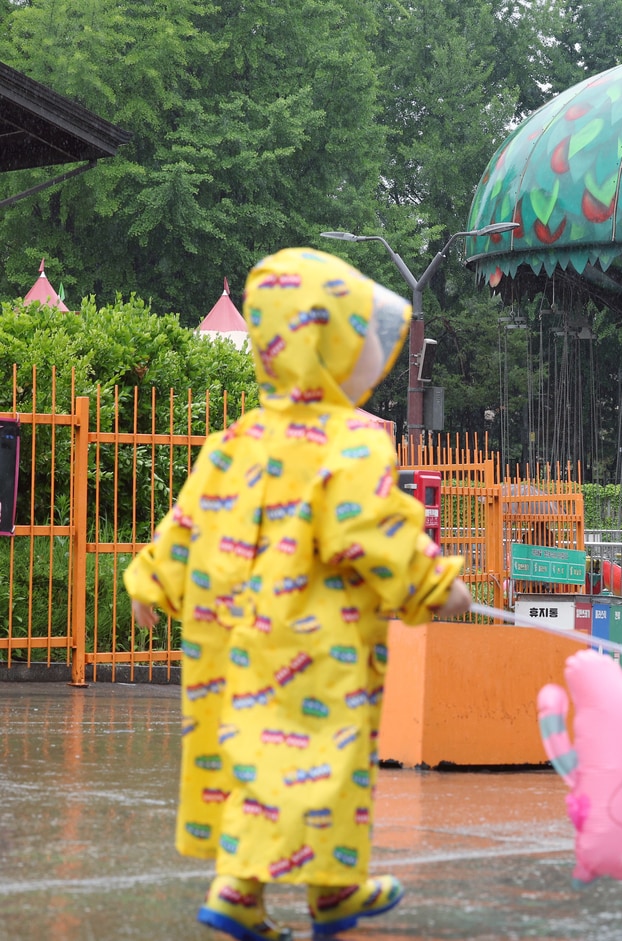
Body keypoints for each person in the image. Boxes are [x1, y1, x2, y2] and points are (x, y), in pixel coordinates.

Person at [123, 248, 474, 941]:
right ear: (328, 342)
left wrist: (151, 577)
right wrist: (436, 583)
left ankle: (330, 890)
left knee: (253, 756)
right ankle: (240, 886)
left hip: (233, 644)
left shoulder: (234, 439)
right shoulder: (349, 443)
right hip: (317, 648)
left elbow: (187, 518)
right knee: (318, 759)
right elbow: (370, 529)